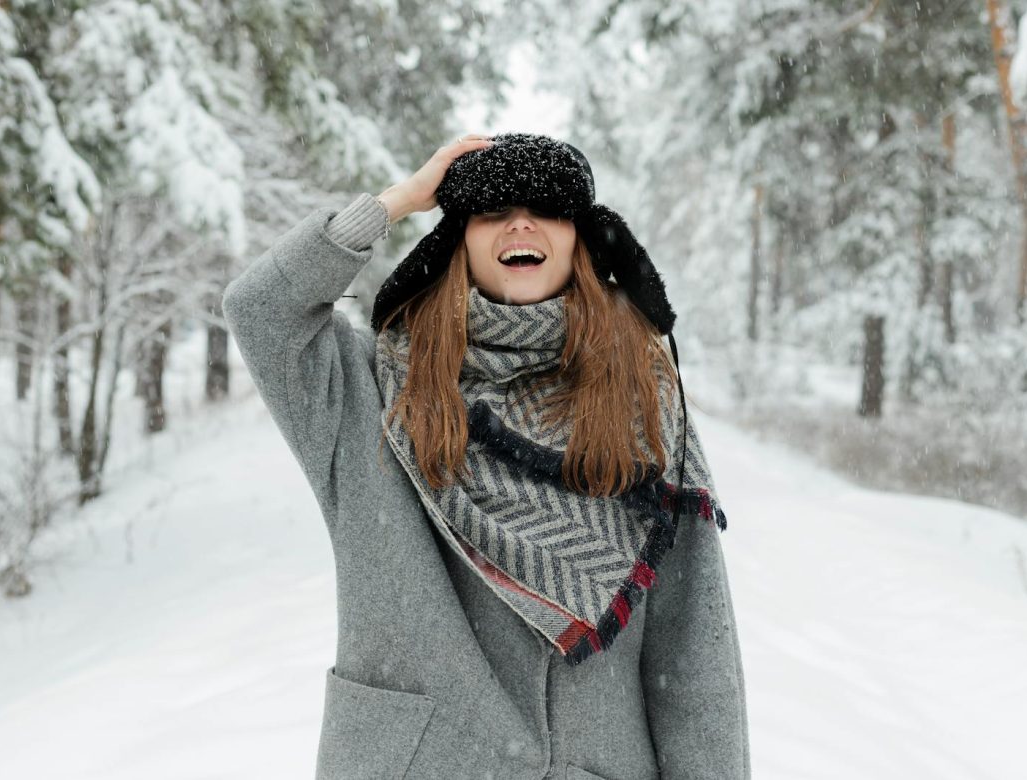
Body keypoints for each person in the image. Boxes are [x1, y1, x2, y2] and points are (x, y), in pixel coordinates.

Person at [221, 132, 750, 779]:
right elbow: (261, 312)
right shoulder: (374, 388)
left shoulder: (645, 400)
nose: (520, 223)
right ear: (458, 238)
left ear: (580, 238)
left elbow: (694, 653)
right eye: (493, 210)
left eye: (547, 209)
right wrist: (399, 200)